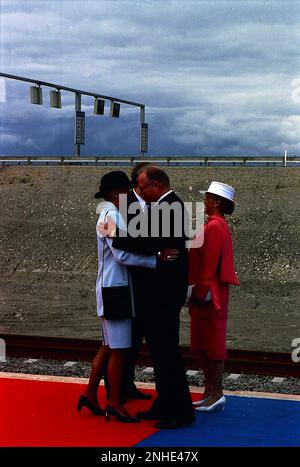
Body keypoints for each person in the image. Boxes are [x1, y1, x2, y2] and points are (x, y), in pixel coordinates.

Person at [77, 171, 178, 423]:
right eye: (126, 190)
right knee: (120, 349)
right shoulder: (112, 215)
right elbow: (121, 254)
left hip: (109, 288)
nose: (130, 194)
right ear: (115, 194)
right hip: (117, 290)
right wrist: (156, 259)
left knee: (108, 345)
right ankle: (114, 403)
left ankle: (90, 393)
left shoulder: (106, 214)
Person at [112, 166, 195, 429]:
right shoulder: (167, 205)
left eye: (141, 186)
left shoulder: (169, 207)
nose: (138, 190)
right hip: (162, 294)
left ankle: (178, 411)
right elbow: (148, 242)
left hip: (163, 295)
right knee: (161, 353)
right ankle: (165, 404)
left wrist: (115, 235)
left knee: (167, 353)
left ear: (155, 186)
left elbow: (145, 242)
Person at [188, 181, 240, 412]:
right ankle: (210, 391)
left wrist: (199, 292)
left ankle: (216, 392)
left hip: (210, 295)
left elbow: (209, 265)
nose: (204, 201)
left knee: (213, 344)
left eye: (207, 198)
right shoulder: (214, 225)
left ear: (217, 202)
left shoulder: (215, 227)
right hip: (207, 292)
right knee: (202, 344)